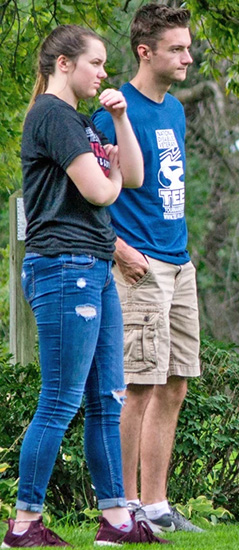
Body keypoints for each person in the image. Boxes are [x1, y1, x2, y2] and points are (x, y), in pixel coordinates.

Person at [6, 24, 166, 546]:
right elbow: (103, 191)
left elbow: (136, 176)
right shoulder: (52, 116)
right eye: (95, 63)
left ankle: (117, 520)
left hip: (93, 266)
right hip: (63, 267)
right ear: (64, 64)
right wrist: (114, 177)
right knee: (59, 399)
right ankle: (24, 524)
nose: (103, 73)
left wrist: (120, 120)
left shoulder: (80, 122)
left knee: (106, 398)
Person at [91, 4, 202, 534]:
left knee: (174, 384)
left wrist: (183, 255)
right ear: (145, 51)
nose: (187, 56)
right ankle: (127, 507)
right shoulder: (114, 109)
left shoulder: (175, 110)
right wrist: (117, 248)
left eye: (187, 46)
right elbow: (86, 193)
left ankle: (156, 505)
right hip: (138, 266)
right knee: (136, 387)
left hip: (180, 265)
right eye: (177, 48)